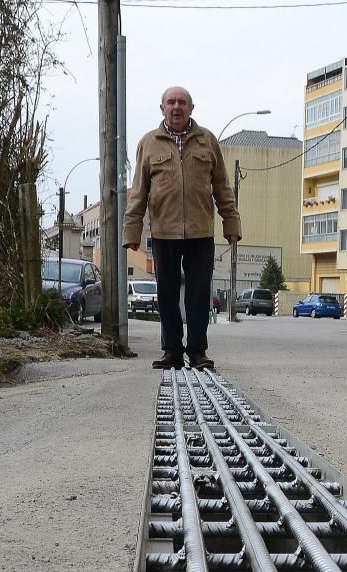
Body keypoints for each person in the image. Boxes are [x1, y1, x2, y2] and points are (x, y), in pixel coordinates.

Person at [125, 86, 242, 370]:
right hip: (164, 232)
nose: (176, 107)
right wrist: (132, 231)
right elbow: (139, 191)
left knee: (199, 296)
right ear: (162, 107)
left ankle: (198, 352)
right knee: (166, 294)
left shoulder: (207, 141)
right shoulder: (149, 143)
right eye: (171, 102)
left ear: (191, 108)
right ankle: (172, 352)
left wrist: (231, 222)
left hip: (201, 232)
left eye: (182, 102)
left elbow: (222, 187)